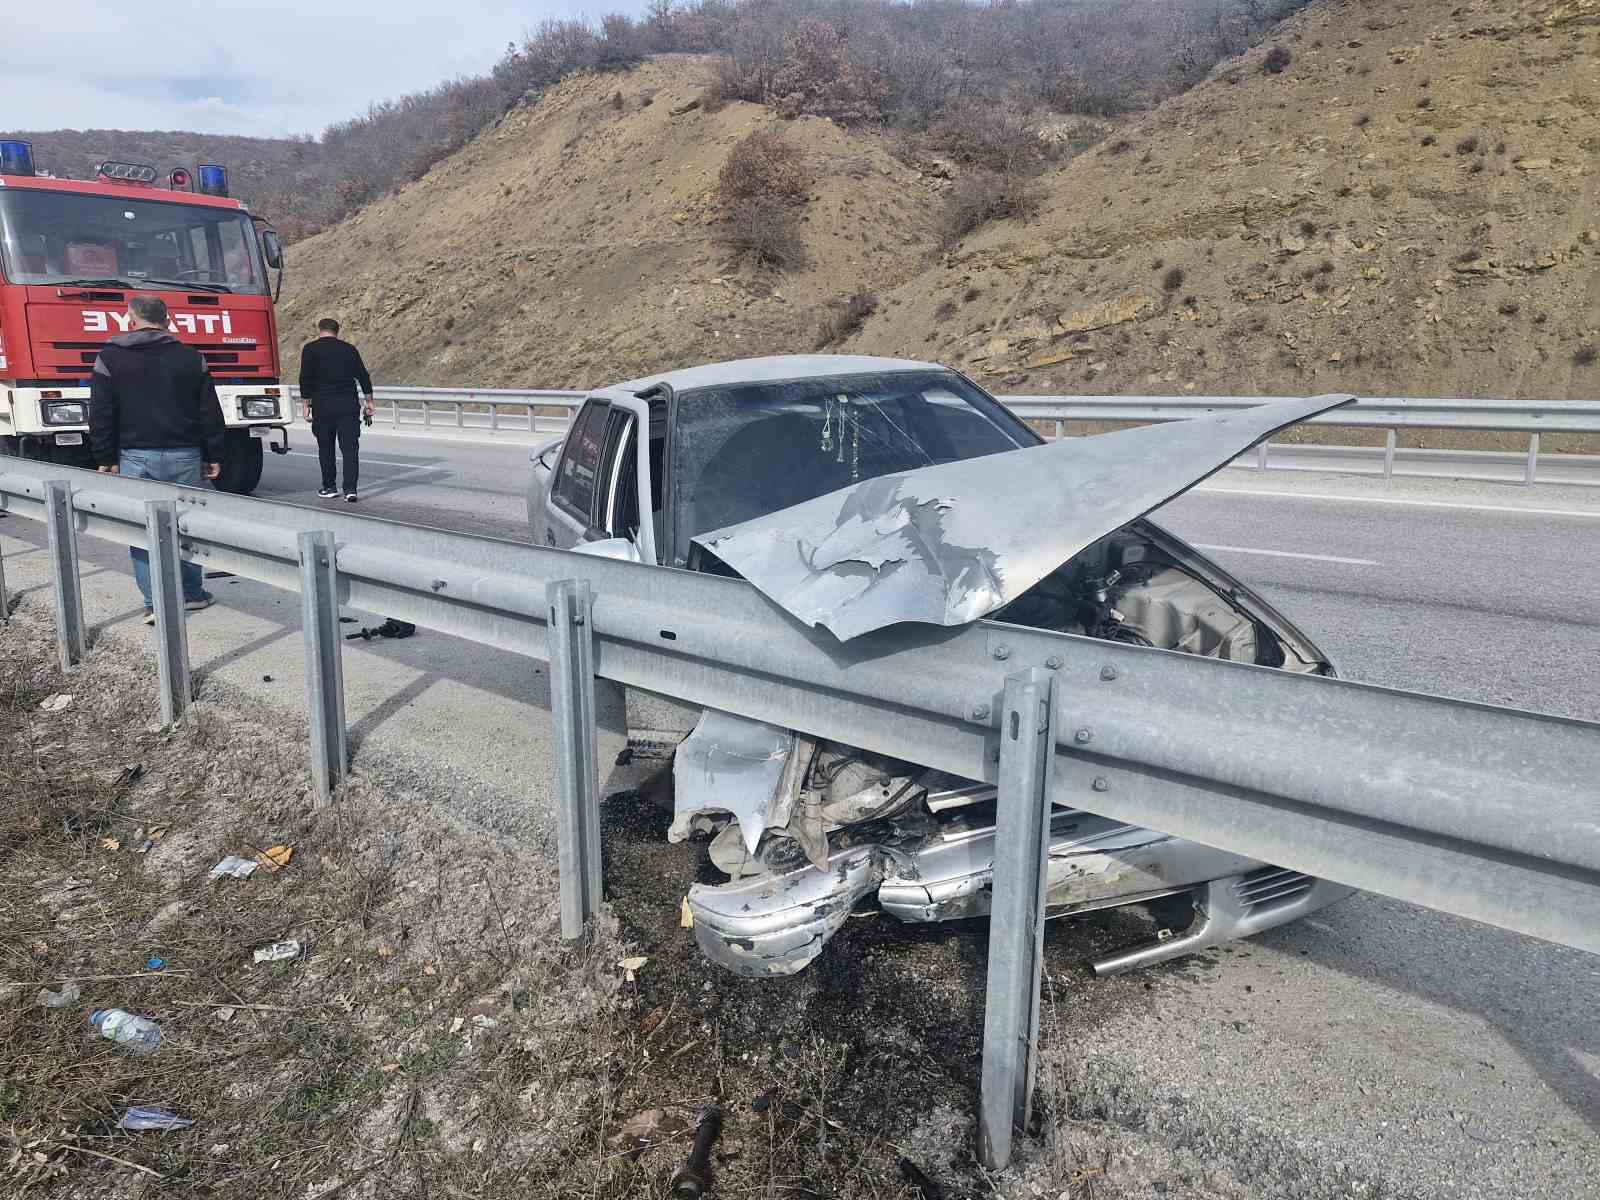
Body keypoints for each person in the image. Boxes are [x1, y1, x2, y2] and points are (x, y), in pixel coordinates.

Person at [88, 294, 220, 624]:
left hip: (135, 456)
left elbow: (101, 413)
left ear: (130, 318)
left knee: (142, 530)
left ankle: (154, 602)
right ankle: (191, 594)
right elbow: (209, 411)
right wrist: (214, 454)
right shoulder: (191, 357)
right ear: (168, 318)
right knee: (186, 525)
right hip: (185, 455)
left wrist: (104, 456)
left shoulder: (109, 357)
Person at [298, 318, 374, 502]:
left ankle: (329, 487)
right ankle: (350, 490)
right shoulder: (349, 349)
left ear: (320, 329)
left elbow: (305, 378)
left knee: (326, 448)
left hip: (323, 406)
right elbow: (363, 375)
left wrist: (305, 406)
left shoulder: (310, 349)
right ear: (337, 331)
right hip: (348, 406)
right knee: (350, 449)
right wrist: (369, 401)